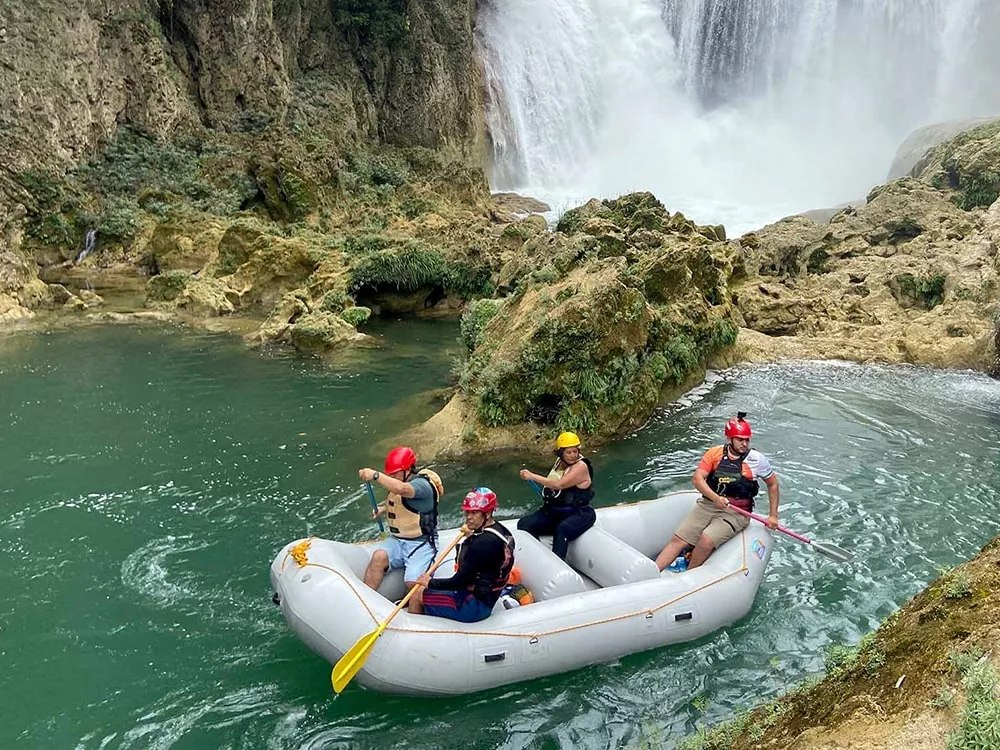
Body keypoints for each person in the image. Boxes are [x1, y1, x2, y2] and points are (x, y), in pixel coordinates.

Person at [655, 412, 780, 572]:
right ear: (730, 439)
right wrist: (715, 498)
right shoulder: (714, 453)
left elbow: (773, 485)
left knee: (706, 540)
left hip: (737, 513)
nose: (744, 444)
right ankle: (651, 574)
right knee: (679, 539)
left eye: (747, 440)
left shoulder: (757, 460)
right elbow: (698, 479)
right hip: (709, 504)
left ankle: (687, 576)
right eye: (740, 439)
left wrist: (773, 516)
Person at [410, 487, 515, 622]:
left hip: (473, 606)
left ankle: (416, 632)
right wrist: (472, 536)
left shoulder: (481, 544)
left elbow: (458, 583)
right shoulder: (503, 532)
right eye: (467, 512)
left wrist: (429, 582)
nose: (468, 518)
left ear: (487, 513)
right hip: (489, 597)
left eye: (474, 513)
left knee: (417, 595)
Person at [358, 446, 444, 591]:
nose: (393, 477)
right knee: (378, 557)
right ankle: (365, 601)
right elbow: (402, 504)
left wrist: (375, 475)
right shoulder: (402, 481)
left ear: (407, 469)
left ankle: (417, 610)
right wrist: (384, 509)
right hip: (398, 540)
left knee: (413, 584)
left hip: (421, 543)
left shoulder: (422, 485)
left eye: (395, 473)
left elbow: (402, 490)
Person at [517, 431, 597, 559]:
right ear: (561, 453)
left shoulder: (581, 467)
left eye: (575, 451)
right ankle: (539, 556)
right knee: (524, 524)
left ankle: (558, 562)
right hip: (556, 512)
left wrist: (532, 476)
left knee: (562, 530)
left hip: (580, 513)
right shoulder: (560, 462)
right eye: (568, 452)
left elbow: (558, 484)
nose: (572, 455)